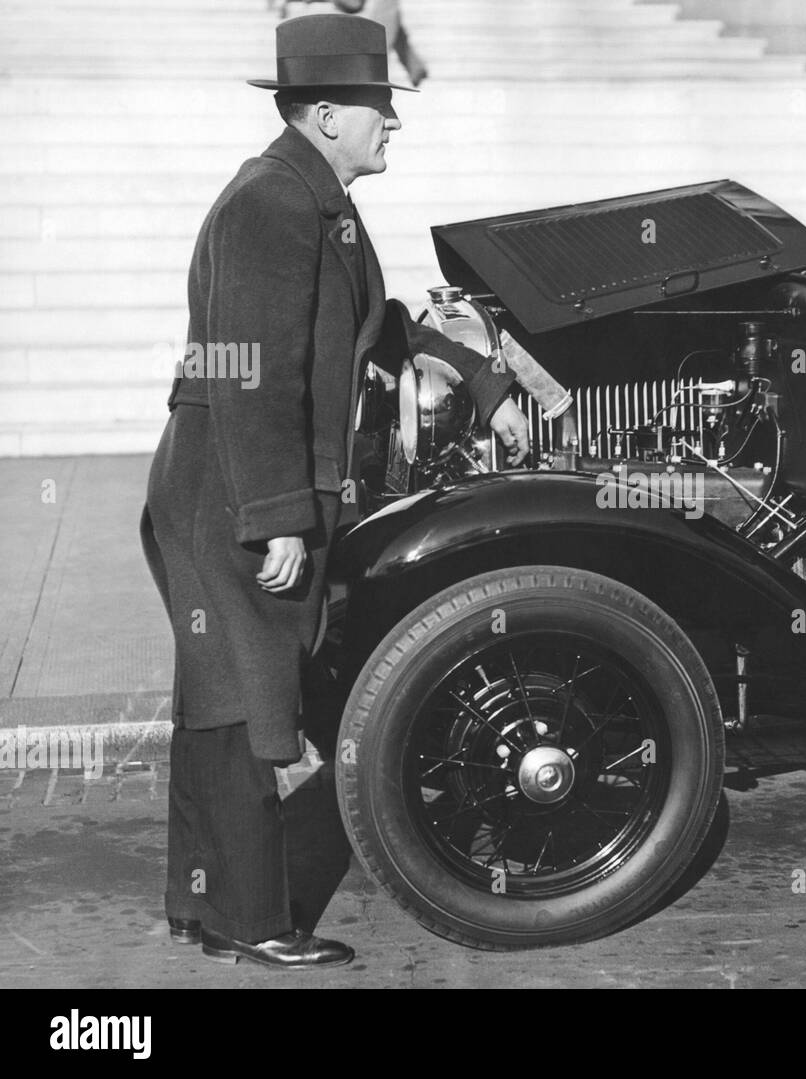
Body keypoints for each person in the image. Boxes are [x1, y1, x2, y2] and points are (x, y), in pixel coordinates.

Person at [140, 14, 530, 969]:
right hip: (228, 490)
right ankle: (250, 920)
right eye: (377, 110)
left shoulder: (317, 200)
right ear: (324, 115)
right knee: (241, 702)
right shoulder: (271, 204)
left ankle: (203, 905)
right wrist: (275, 520)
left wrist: (483, 384)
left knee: (218, 699)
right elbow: (251, 377)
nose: (391, 124)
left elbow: (373, 327)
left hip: (224, 485)